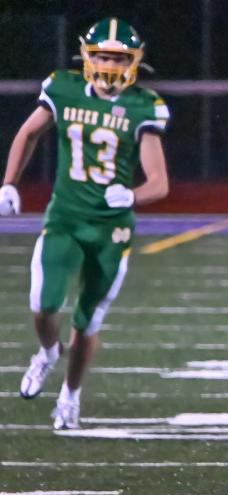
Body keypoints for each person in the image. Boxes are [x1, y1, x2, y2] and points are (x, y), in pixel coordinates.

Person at [1, 18, 170, 429]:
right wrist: (8, 183)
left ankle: (70, 396)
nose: (110, 64)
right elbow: (29, 134)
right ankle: (46, 353)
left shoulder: (143, 105)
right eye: (102, 55)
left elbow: (159, 183)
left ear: (134, 61)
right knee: (43, 305)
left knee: (86, 321)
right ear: (86, 57)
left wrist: (131, 196)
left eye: (118, 57)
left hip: (110, 231)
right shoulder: (63, 86)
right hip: (65, 218)